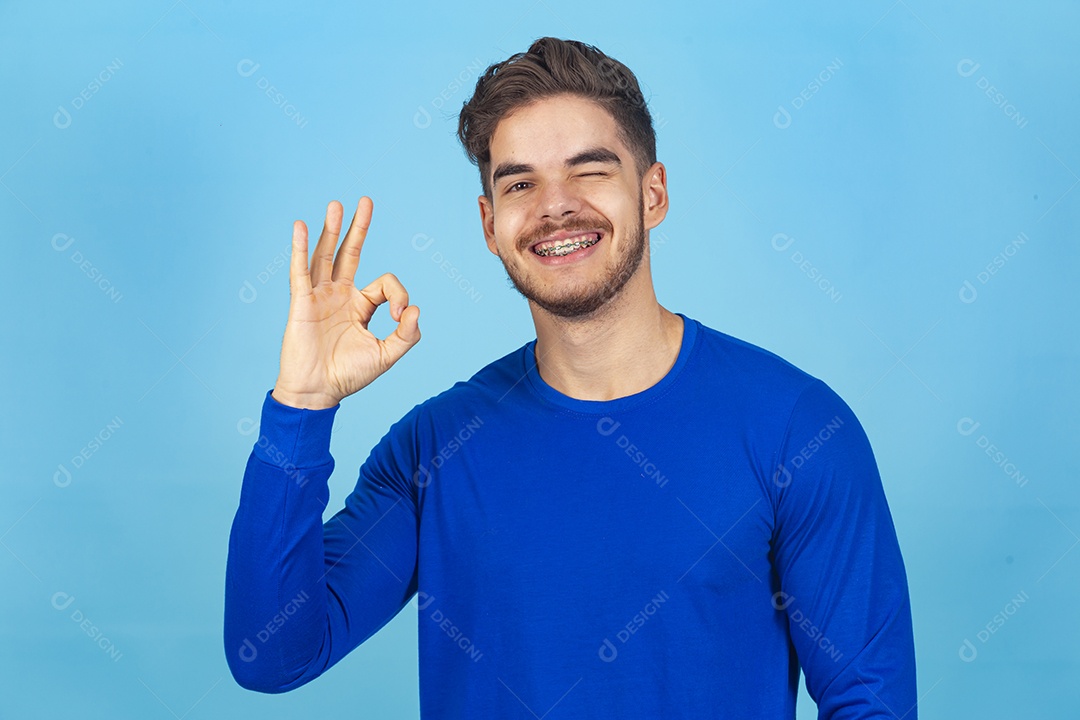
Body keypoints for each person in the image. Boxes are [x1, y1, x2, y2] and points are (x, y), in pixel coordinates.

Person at [224, 37, 917, 718]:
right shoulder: (436, 447)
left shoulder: (797, 428)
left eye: (590, 170)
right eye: (521, 182)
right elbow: (273, 655)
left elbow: (871, 702)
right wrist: (301, 408)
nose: (555, 205)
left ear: (653, 194)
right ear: (490, 224)